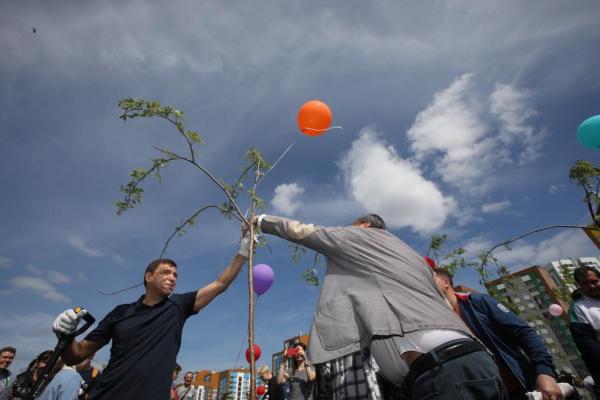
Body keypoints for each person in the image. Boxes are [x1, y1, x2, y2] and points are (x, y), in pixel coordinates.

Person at [248, 213, 506, 400]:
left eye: (352, 225)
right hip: (477, 360)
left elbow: (303, 231)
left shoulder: (359, 237)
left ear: (365, 225)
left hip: (442, 373)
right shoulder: (410, 255)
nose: (346, 229)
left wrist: (260, 221)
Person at [51, 237, 250, 400]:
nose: (172, 277)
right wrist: (66, 335)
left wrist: (243, 250)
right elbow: (75, 355)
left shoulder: (178, 307)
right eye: (166, 272)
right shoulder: (120, 313)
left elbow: (220, 283)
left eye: (175, 275)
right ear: (148, 276)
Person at [433, 268, 562, 400]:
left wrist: (545, 372)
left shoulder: (477, 302)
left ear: (446, 282)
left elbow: (524, 333)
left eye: (429, 278)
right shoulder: (435, 322)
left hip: (522, 388)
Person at [569, 266, 600, 396]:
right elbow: (588, 345)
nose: (591, 286)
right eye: (585, 283)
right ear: (579, 285)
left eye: (594, 281)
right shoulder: (578, 308)